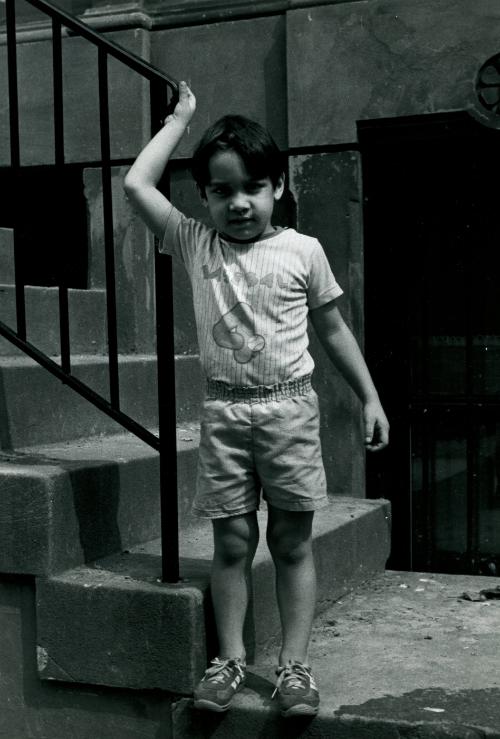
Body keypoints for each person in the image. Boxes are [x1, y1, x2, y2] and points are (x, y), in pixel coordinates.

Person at [124, 81, 389, 718]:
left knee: (292, 543)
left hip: (291, 411)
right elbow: (137, 185)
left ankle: (294, 668)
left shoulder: (302, 251)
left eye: (252, 187)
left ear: (276, 187)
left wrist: (369, 397)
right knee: (234, 544)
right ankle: (231, 660)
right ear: (204, 197)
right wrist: (180, 123)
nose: (238, 203)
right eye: (221, 190)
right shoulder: (194, 243)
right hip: (224, 414)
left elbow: (333, 329)